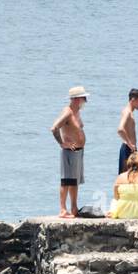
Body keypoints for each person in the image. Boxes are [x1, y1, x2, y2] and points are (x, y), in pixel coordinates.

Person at [51, 86, 88, 218]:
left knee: (75, 181)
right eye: (84, 98)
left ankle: (74, 207)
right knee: (66, 181)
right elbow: (54, 128)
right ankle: (62, 209)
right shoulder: (67, 112)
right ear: (77, 99)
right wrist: (62, 144)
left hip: (78, 150)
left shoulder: (76, 112)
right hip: (70, 152)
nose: (86, 101)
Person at [117, 88, 138, 175]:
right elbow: (120, 129)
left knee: (133, 176)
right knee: (126, 178)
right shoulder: (127, 112)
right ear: (133, 99)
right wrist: (129, 144)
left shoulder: (130, 112)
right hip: (127, 149)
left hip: (130, 149)